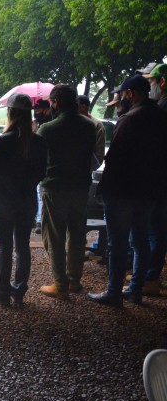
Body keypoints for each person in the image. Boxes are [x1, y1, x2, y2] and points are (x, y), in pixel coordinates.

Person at [89, 74, 167, 306]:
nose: (121, 98)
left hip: (123, 192)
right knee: (141, 240)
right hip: (149, 190)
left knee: (117, 243)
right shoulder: (162, 117)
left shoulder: (129, 119)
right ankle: (136, 290)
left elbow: (115, 159)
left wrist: (104, 189)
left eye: (122, 94)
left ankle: (114, 292)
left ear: (130, 94)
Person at [0, 93, 48, 305]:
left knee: (5, 247)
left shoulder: (2, 141)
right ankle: (19, 292)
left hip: (3, 201)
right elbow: (41, 172)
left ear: (10, 112)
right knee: (23, 247)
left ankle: (1, 292)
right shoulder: (38, 142)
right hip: (27, 200)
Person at [35, 84, 97, 300]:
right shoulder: (89, 126)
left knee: (53, 236)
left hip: (55, 187)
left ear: (56, 102)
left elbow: (38, 161)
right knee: (77, 235)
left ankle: (60, 285)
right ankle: (74, 281)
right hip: (81, 187)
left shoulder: (47, 129)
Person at [142, 63, 167, 295]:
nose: (150, 86)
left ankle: (150, 278)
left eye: (152, 81)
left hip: (158, 180)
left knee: (155, 231)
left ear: (162, 82)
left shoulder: (161, 109)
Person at [32, 99, 53, 234]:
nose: (35, 112)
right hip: (40, 163)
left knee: (40, 192)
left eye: (37, 110)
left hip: (45, 163)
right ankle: (39, 218)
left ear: (45, 109)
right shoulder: (38, 124)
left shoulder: (47, 125)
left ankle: (40, 220)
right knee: (38, 192)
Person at [77, 95, 106, 169]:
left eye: (76, 106)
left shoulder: (97, 125)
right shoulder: (72, 122)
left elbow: (99, 156)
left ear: (83, 107)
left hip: (85, 172)